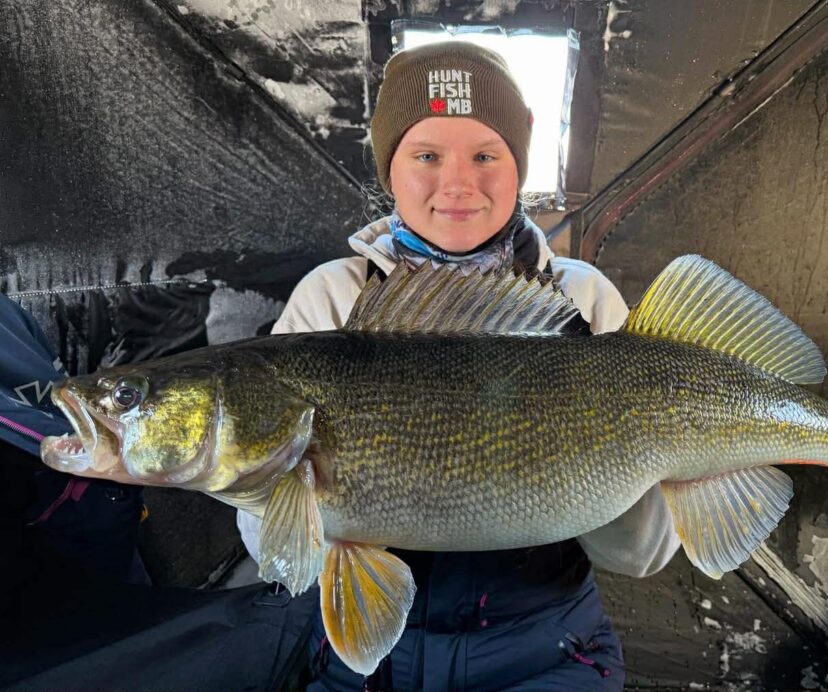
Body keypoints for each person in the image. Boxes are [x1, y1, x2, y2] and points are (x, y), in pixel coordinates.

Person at [237, 41, 681, 691]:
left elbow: (640, 556)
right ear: (390, 167)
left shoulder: (583, 299)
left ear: (520, 161)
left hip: (548, 649)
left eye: (485, 155)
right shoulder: (329, 297)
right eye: (426, 155)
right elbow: (278, 557)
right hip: (368, 662)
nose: (457, 183)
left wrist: (616, 461)